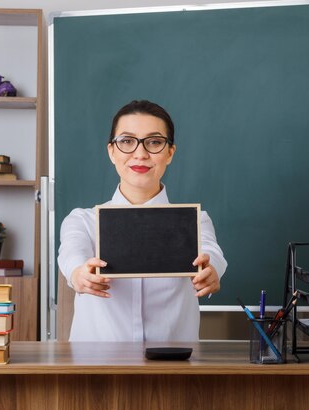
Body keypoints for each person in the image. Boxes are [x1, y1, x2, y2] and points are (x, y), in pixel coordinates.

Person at [58, 99, 227, 342]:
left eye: (155, 142)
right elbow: (72, 255)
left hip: (174, 368)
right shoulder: (83, 220)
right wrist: (79, 275)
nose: (140, 154)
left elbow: (212, 253)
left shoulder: (195, 221)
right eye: (127, 141)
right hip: (96, 367)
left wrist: (212, 271)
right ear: (111, 151)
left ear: (170, 153)